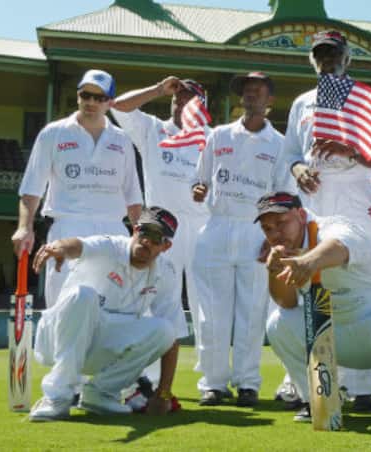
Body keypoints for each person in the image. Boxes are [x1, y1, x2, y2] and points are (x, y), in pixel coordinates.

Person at [279, 29, 371, 410]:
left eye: (334, 54)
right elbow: (290, 153)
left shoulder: (368, 100)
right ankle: (326, 387)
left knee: (359, 292)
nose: (327, 60)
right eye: (320, 54)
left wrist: (349, 150)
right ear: (312, 60)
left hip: (356, 199)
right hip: (315, 201)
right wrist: (297, 171)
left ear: (348, 58)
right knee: (319, 292)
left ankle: (364, 390)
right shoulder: (302, 103)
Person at [257, 192, 371, 424]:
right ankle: (317, 398)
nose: (276, 233)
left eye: (281, 223)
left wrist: (307, 261)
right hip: (337, 335)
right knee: (278, 324)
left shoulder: (336, 226)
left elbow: (340, 247)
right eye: (268, 228)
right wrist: (274, 271)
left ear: (302, 215)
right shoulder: (282, 251)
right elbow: (287, 303)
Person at [190, 72, 294, 407]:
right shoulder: (218, 136)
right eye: (246, 91)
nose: (251, 96)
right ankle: (213, 383)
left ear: (270, 101)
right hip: (218, 226)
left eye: (258, 91)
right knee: (212, 313)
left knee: (252, 311)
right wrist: (198, 189)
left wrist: (274, 236)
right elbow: (199, 179)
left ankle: (248, 383)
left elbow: (283, 194)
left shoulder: (279, 144)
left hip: (256, 231)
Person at [27, 207, 188, 421]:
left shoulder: (166, 272)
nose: (147, 241)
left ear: (166, 246)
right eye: (144, 232)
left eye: (156, 237)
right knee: (83, 296)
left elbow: (173, 337)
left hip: (102, 348)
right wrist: (58, 248)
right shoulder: (110, 245)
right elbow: (77, 246)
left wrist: (164, 393)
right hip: (58, 341)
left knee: (165, 331)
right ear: (135, 230)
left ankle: (101, 393)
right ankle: (57, 397)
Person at [111, 77, 211, 387]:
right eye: (177, 98)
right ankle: (149, 377)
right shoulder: (153, 129)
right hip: (160, 229)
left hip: (200, 225)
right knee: (151, 299)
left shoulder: (212, 137)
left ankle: (211, 379)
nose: (181, 103)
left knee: (204, 304)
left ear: (202, 105)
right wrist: (156, 89)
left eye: (190, 98)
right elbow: (118, 106)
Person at [12, 69, 143, 308]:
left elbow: (133, 196)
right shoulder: (53, 133)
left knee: (114, 309)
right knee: (63, 306)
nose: (91, 102)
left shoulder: (122, 140)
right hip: (68, 227)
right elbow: (32, 189)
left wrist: (139, 236)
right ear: (78, 96)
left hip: (113, 232)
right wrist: (24, 228)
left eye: (99, 97)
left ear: (110, 102)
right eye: (86, 95)